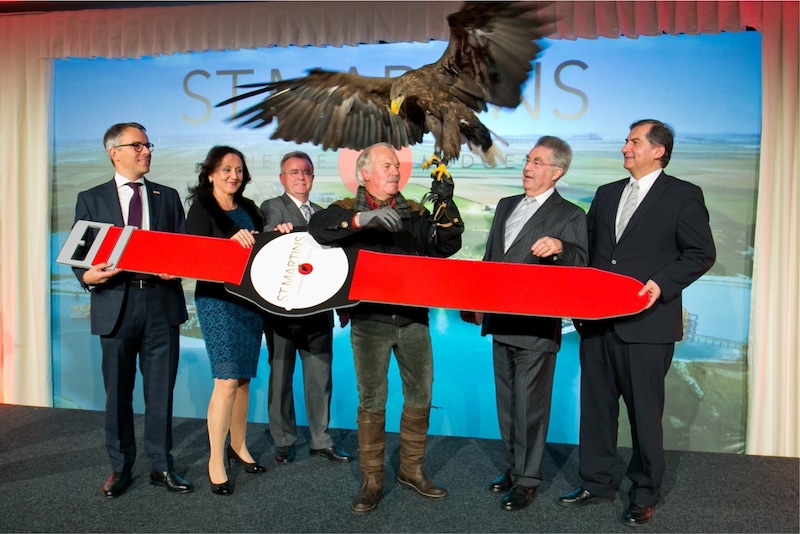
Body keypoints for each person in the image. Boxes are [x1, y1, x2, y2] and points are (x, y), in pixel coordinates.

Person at [558, 120, 716, 526]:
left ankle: (644, 492)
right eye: (627, 141)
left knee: (645, 414)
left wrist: (661, 284)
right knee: (596, 409)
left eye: (634, 141)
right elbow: (592, 252)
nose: (625, 147)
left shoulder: (683, 196)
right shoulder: (607, 194)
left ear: (658, 150)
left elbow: (700, 253)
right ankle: (595, 482)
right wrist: (563, 252)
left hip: (648, 325)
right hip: (598, 323)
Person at [308, 142, 464, 513]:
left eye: (396, 165)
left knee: (421, 397)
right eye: (386, 166)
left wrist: (446, 204)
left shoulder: (413, 210)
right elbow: (319, 229)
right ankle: (372, 480)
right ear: (365, 174)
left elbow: (446, 245)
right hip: (369, 322)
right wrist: (363, 220)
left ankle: (412, 471)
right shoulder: (347, 209)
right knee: (372, 401)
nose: (395, 171)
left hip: (413, 320)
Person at [462, 136, 588, 511]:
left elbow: (583, 264)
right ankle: (515, 468)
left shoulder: (571, 215)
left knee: (529, 406)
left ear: (557, 172)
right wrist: (475, 301)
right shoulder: (505, 205)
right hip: (501, 321)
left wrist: (562, 249)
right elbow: (490, 259)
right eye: (528, 160)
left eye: (537, 162)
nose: (527, 168)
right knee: (507, 404)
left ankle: (529, 480)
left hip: (537, 325)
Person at [71, 122, 192, 498]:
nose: (146, 151)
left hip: (161, 303)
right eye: (137, 145)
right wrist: (87, 276)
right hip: (115, 304)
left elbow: (184, 250)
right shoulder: (91, 198)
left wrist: (180, 267)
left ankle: (161, 465)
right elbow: (80, 255)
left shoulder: (167, 196)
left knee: (161, 393)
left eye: (148, 145)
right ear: (115, 152)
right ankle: (120, 468)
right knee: (117, 393)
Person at [259, 151, 353, 465]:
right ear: (282, 178)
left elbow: (334, 263)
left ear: (313, 177)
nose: (301, 177)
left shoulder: (324, 214)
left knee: (320, 379)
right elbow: (270, 234)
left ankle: (320, 440)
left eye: (307, 172)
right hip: (282, 314)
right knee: (281, 377)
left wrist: (342, 305)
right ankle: (284, 441)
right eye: (294, 172)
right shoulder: (273, 207)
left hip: (318, 313)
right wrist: (277, 233)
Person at [186, 146, 267, 496]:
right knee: (226, 379)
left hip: (251, 300)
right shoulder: (202, 207)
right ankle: (215, 460)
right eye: (225, 169)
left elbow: (262, 249)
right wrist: (226, 243)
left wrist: (273, 233)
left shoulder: (249, 209)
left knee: (244, 380)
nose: (233, 175)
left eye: (238, 170)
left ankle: (239, 445)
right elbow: (193, 254)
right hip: (217, 301)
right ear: (210, 174)